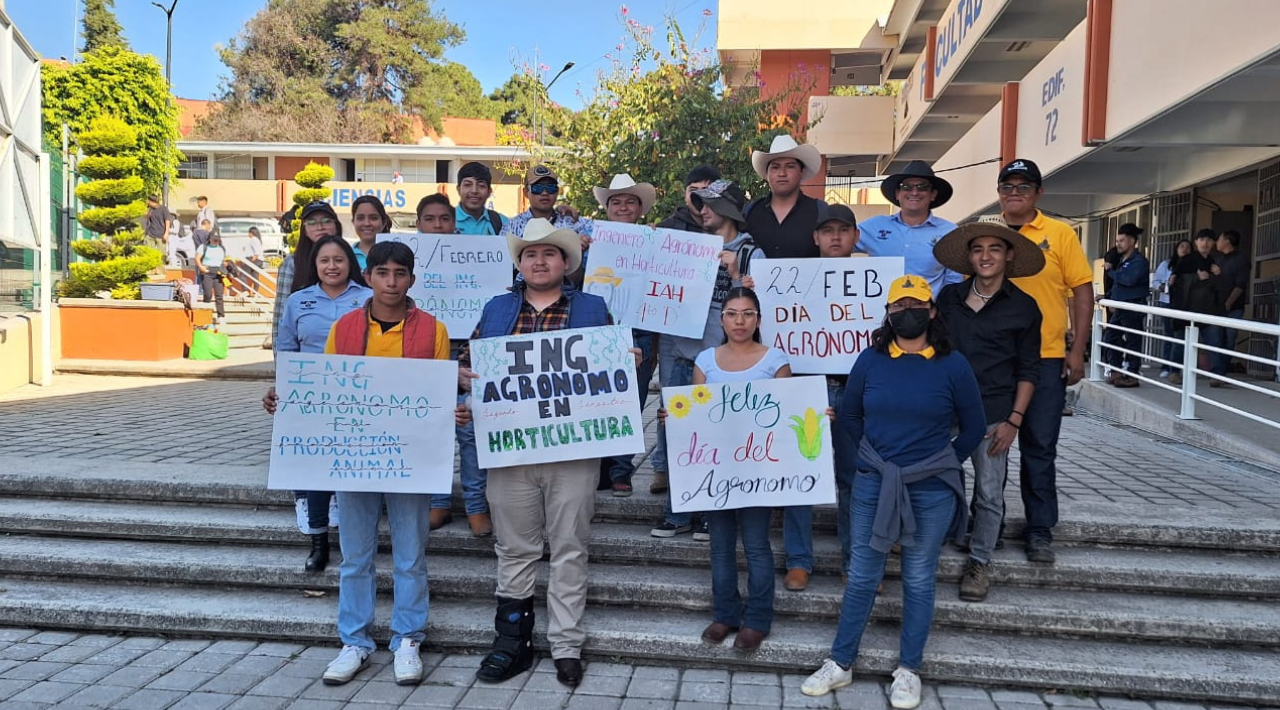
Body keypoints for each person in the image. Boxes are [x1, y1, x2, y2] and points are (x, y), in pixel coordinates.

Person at [264, 241, 460, 688]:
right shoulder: (347, 327)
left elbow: (438, 395)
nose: (391, 282)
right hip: (354, 458)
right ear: (368, 276)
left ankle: (408, 638)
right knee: (355, 557)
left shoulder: (433, 330)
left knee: (411, 556)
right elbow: (326, 388)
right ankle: (353, 640)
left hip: (408, 460)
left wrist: (455, 407)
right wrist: (288, 399)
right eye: (382, 273)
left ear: (412, 278)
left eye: (400, 273)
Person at [801, 275, 985, 707]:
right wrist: (872, 458)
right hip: (873, 484)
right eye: (898, 305)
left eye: (916, 304)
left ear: (932, 310)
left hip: (932, 488)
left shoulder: (953, 364)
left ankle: (908, 669)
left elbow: (974, 426)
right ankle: (841, 663)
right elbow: (850, 416)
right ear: (887, 312)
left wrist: (941, 462)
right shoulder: (871, 359)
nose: (907, 312)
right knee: (863, 574)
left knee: (919, 578)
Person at [470, 218, 613, 688]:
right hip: (511, 450)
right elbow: (471, 363)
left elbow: (611, 372)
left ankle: (566, 645)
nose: (539, 260)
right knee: (515, 548)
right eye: (530, 254)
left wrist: (623, 362)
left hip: (573, 450)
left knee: (570, 546)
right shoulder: (495, 309)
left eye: (549, 253)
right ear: (519, 263)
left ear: (566, 262)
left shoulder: (593, 307)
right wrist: (461, 378)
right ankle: (511, 643)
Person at [933, 223, 1044, 602]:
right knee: (935, 481)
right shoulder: (948, 298)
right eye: (978, 249)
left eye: (994, 248)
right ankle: (931, 543)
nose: (985, 256)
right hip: (945, 408)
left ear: (1008, 255)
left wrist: (1014, 420)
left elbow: (1030, 369)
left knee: (990, 490)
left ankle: (979, 561)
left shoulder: (1024, 307)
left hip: (996, 410)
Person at [650, 179, 763, 540]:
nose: (703, 209)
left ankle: (712, 512)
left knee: (718, 438)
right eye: (701, 204)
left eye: (711, 204)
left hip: (723, 362)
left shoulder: (752, 254)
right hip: (681, 355)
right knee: (679, 433)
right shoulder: (688, 247)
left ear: (730, 209)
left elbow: (761, 311)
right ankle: (678, 511)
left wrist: (734, 276)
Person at [998, 159, 1094, 564]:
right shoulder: (988, 236)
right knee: (990, 446)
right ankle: (988, 522)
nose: (1015, 192)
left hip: (1046, 358)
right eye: (1008, 185)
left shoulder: (1059, 234)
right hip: (995, 361)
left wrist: (1078, 349)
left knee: (1039, 446)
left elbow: (1082, 291)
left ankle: (1039, 528)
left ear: (1039, 192)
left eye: (1024, 185)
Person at [691, 287, 791, 651]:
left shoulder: (775, 360)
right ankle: (725, 614)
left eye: (748, 314)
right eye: (732, 313)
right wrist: (675, 416)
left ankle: (758, 619)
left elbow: (788, 414)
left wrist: (816, 415)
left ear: (758, 320)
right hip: (716, 471)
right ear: (722, 319)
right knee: (719, 547)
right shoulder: (705, 360)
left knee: (756, 546)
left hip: (758, 470)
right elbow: (695, 417)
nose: (739, 321)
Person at [273, 234, 372, 571]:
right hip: (313, 398)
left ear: (351, 264)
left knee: (353, 472)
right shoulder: (298, 301)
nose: (332, 266)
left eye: (339, 260)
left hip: (363, 398)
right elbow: (286, 348)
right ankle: (318, 542)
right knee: (317, 472)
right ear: (315, 265)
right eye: (324, 260)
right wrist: (282, 389)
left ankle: (355, 542)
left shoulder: (370, 299)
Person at [415, 194, 491, 538]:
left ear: (454, 224)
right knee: (436, 431)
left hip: (469, 351)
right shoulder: (406, 259)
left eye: (444, 219)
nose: (437, 226)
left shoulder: (478, 257)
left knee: (471, 431)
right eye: (429, 219)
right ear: (418, 224)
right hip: (426, 355)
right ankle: (439, 502)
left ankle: (477, 505)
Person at [651, 165, 720, 496]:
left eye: (708, 189)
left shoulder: (724, 228)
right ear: (684, 193)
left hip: (713, 327)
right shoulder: (666, 229)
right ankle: (663, 467)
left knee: (707, 397)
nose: (700, 196)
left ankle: (705, 459)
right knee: (670, 397)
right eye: (695, 189)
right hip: (672, 329)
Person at [590, 174, 659, 496]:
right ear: (606, 208)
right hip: (599, 332)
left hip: (641, 332)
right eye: (615, 201)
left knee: (633, 400)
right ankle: (601, 467)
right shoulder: (589, 240)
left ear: (640, 208)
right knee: (598, 399)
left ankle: (621, 469)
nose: (622, 206)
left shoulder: (656, 241)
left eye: (629, 201)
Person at [810, 203, 864, 579]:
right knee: (799, 478)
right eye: (827, 230)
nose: (835, 237)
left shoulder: (874, 280)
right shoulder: (793, 278)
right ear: (815, 237)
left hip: (855, 392)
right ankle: (799, 560)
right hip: (807, 389)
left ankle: (853, 561)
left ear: (855, 236)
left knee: (852, 478)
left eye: (843, 230)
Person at [857, 161, 963, 295]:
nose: (914, 192)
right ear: (897, 193)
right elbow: (836, 244)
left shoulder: (950, 232)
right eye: (906, 187)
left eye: (922, 187)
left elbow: (954, 281)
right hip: (880, 312)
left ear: (933, 194)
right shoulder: (873, 226)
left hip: (928, 314)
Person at [501, 165, 592, 285]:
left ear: (557, 191)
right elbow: (501, 268)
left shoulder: (574, 223)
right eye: (537, 188)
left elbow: (610, 234)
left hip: (566, 296)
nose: (544, 193)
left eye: (550, 188)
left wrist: (578, 249)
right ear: (526, 192)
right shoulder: (511, 227)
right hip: (522, 296)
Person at [745, 135, 825, 259]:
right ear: (767, 174)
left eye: (790, 166)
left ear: (801, 171)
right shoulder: (750, 212)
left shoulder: (820, 211)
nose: (782, 173)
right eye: (775, 167)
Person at [273, 201, 342, 344]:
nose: (320, 227)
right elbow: (281, 319)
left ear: (336, 226)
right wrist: (282, 362)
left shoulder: (349, 260)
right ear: (304, 229)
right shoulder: (292, 264)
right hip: (305, 356)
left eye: (326, 221)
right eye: (311, 222)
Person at [1168, 229, 1223, 386]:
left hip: (1207, 309)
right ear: (1196, 242)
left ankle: (1217, 374)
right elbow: (1175, 282)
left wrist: (1218, 274)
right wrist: (1195, 278)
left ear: (1213, 243)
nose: (1205, 243)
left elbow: (1218, 287)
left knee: (1214, 340)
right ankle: (1174, 372)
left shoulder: (1213, 261)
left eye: (1209, 240)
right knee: (1179, 342)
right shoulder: (1186, 260)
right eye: (1202, 240)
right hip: (1186, 308)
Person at [1099, 223, 1150, 387]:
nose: (1118, 244)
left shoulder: (1139, 261)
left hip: (1133, 307)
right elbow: (1119, 286)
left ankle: (1132, 374)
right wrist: (1106, 296)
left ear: (1132, 241)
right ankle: (1117, 370)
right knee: (1110, 337)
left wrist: (1110, 271)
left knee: (1133, 341)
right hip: (1121, 307)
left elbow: (1128, 280)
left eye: (1121, 240)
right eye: (1117, 240)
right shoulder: (1123, 260)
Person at [1212, 229, 1250, 386]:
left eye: (1219, 238)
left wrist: (1228, 303)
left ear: (1227, 241)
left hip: (1233, 308)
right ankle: (1217, 372)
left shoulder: (1241, 259)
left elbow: (1240, 285)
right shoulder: (1219, 260)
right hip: (1217, 307)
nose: (1216, 242)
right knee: (1216, 339)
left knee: (1229, 339)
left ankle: (1221, 373)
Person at [1153, 239, 1193, 380]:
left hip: (1184, 305)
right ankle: (1166, 366)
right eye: (1182, 246)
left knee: (1181, 338)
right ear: (1176, 248)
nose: (1185, 249)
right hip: (1168, 302)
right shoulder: (1166, 264)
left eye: (1188, 247)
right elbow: (1155, 281)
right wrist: (1163, 287)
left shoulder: (1192, 266)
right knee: (1169, 335)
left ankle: (1177, 369)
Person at [658, 165, 720, 233]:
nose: (698, 195)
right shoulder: (666, 230)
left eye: (705, 190)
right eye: (693, 190)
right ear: (685, 196)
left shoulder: (729, 227)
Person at [455, 162, 508, 235]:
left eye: (481, 185)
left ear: (489, 191)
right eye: (467, 185)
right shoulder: (444, 221)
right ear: (458, 189)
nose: (474, 191)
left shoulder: (503, 223)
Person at [351, 195, 393, 271]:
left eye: (373, 218)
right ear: (353, 222)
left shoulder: (396, 253)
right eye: (360, 218)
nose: (367, 223)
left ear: (383, 223)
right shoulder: (346, 255)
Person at [194, 232, 228, 322]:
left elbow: (222, 260)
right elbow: (197, 258)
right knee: (208, 294)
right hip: (207, 271)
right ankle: (205, 315)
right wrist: (201, 267)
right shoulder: (203, 247)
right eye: (214, 239)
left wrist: (225, 264)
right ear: (209, 239)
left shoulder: (221, 248)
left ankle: (221, 316)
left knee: (219, 295)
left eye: (217, 239)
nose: (216, 241)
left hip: (218, 272)